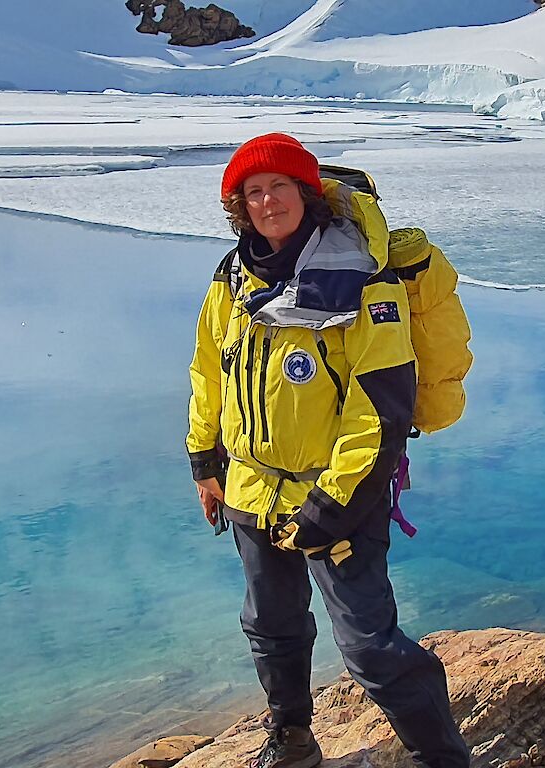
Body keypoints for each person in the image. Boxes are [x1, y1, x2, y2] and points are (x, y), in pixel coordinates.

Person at [185, 133, 471, 768]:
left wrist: (330, 503)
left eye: (279, 187)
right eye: (252, 192)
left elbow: (382, 407)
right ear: (239, 207)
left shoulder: (362, 282)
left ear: (306, 195)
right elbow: (210, 372)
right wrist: (206, 464)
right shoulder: (233, 279)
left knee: (369, 644)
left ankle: (443, 759)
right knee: (271, 625)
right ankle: (292, 740)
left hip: (339, 495)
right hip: (253, 489)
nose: (267, 202)